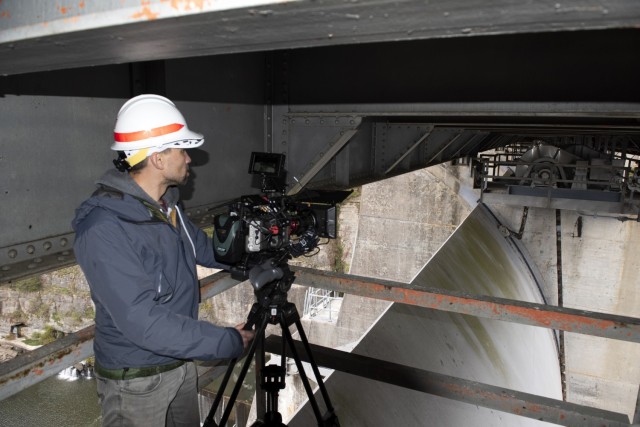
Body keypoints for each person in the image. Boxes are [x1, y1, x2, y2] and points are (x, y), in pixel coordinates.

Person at [72, 94, 254, 426]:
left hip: (178, 363)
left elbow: (202, 248)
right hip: (137, 381)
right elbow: (142, 321)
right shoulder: (104, 228)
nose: (189, 159)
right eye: (182, 150)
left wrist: (251, 255)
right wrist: (223, 341)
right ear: (157, 159)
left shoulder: (167, 205)